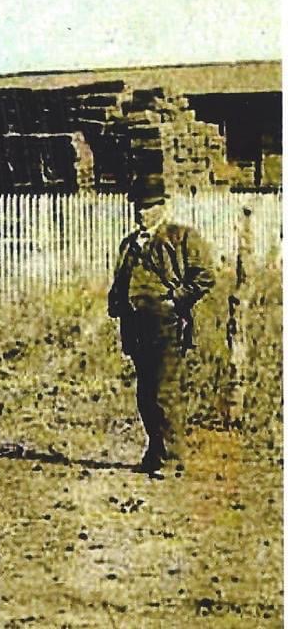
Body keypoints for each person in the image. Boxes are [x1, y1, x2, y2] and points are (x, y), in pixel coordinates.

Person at [106, 177, 215, 479]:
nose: (142, 213)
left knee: (165, 392)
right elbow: (120, 281)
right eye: (138, 207)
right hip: (136, 326)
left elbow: (205, 276)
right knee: (145, 393)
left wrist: (174, 300)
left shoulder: (181, 237)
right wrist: (116, 304)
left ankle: (173, 458)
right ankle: (155, 451)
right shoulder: (129, 245)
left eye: (149, 207)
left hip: (168, 325)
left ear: (162, 206)